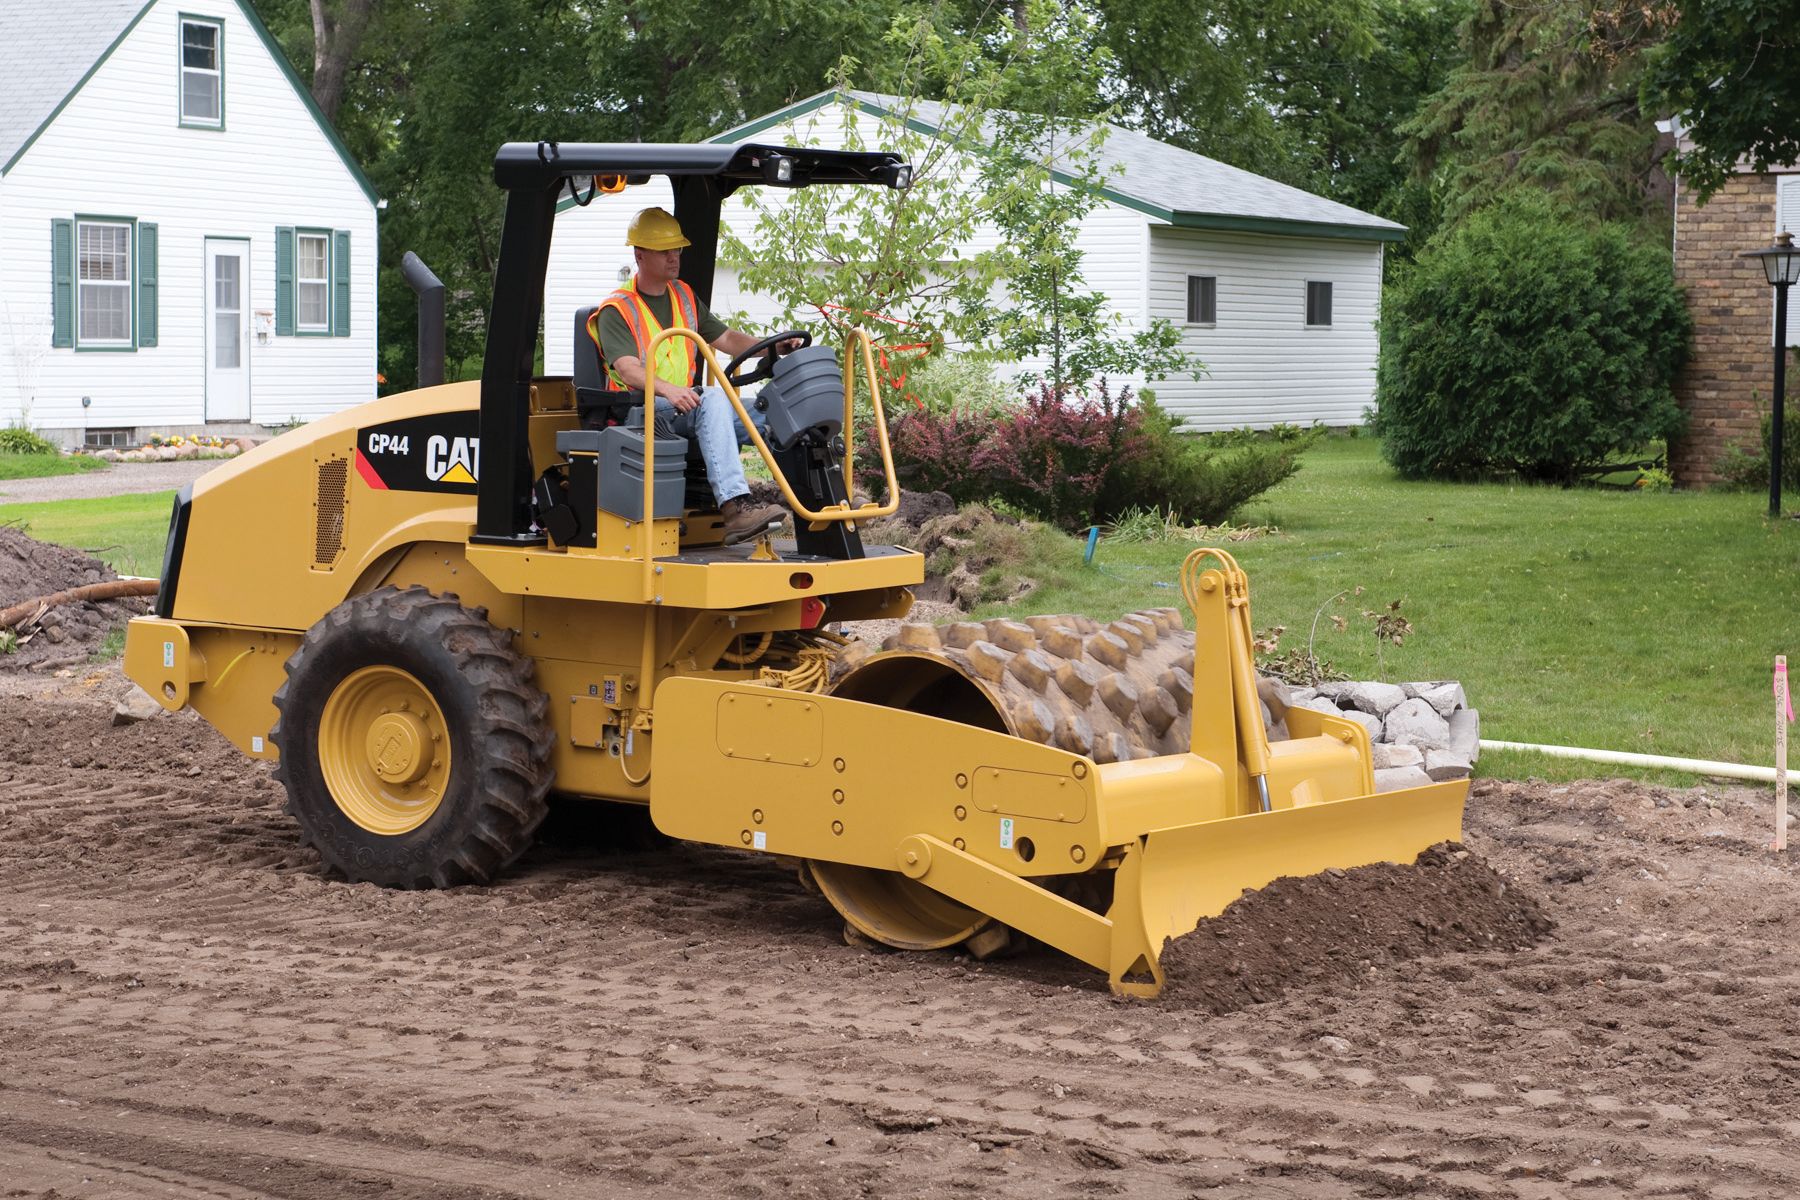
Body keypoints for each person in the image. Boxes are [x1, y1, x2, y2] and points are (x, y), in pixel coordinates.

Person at [587, 206, 793, 545]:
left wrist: (773, 347)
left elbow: (726, 339)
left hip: (686, 406)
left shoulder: (683, 295)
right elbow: (627, 368)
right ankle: (735, 508)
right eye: (665, 250)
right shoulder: (616, 310)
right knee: (711, 397)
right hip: (641, 414)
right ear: (640, 254)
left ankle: (826, 498)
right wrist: (669, 390)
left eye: (677, 248)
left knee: (773, 405)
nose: (674, 257)